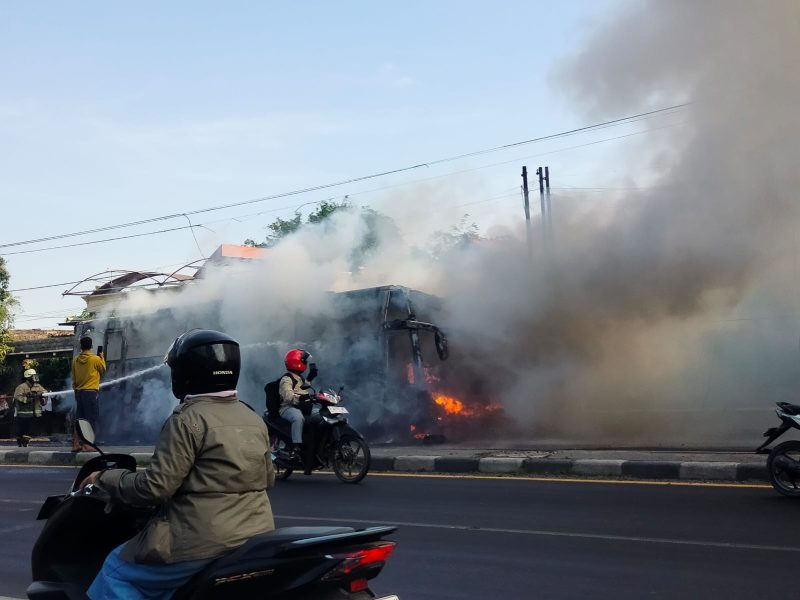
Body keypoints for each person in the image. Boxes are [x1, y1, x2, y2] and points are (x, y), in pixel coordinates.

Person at [80, 329, 276, 600]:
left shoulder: (187, 419)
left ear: (187, 373)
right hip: (254, 536)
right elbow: (269, 476)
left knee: (116, 569)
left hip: (203, 540)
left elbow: (155, 488)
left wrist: (105, 478)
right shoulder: (252, 417)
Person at [278, 348, 318, 462]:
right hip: (287, 407)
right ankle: (296, 447)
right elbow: (288, 396)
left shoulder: (299, 377)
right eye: (304, 361)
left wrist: (311, 376)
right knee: (298, 418)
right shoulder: (286, 379)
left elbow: (302, 387)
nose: (305, 363)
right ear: (297, 363)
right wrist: (301, 399)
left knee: (320, 415)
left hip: (301, 406)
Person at [71, 336, 106, 452]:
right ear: (91, 346)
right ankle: (88, 444)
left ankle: (76, 444)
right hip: (91, 393)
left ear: (81, 347)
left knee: (79, 419)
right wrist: (102, 358)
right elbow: (103, 370)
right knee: (92, 420)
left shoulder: (75, 360)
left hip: (79, 392)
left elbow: (74, 378)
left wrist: (76, 392)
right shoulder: (95, 359)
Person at [12, 368, 47, 447]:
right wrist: (29, 398)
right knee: (22, 429)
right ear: (28, 377)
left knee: (31, 429)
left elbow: (45, 392)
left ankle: (26, 440)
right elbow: (17, 397)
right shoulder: (21, 387)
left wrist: (41, 395)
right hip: (23, 413)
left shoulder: (37, 386)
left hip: (34, 413)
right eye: (33, 376)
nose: (35, 377)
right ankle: (21, 440)